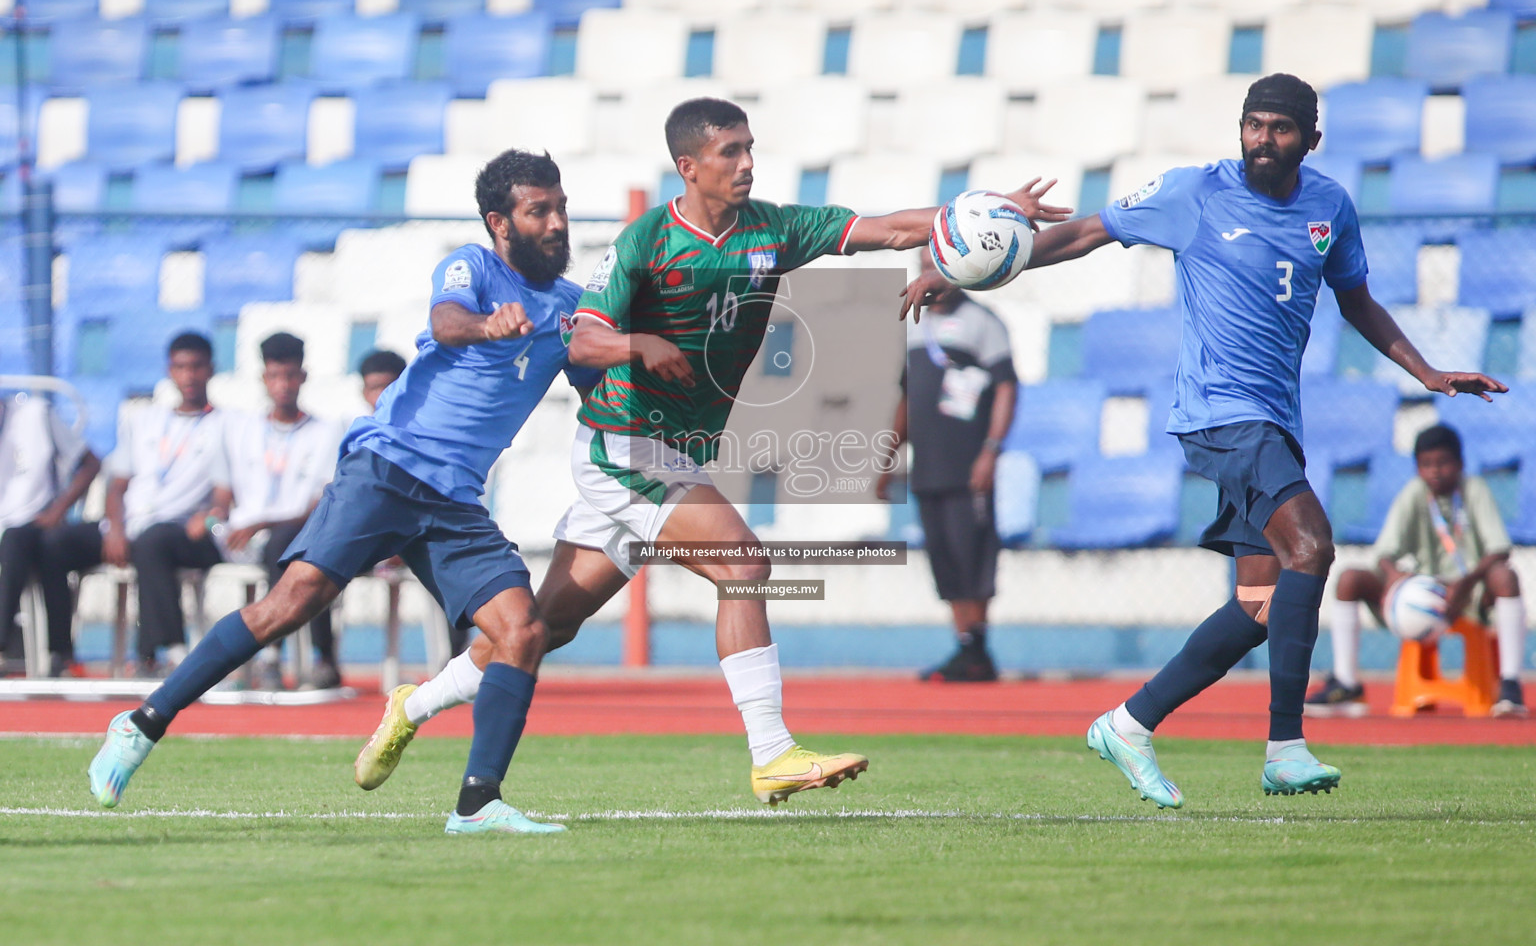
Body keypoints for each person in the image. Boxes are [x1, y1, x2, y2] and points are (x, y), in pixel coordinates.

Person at [352, 96, 1069, 806]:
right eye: (731, 152)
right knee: (745, 563)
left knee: (543, 628)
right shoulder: (646, 242)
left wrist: (981, 215)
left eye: (750, 148)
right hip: (622, 445)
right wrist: (644, 342)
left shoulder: (775, 229)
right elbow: (583, 338)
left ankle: (410, 707)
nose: (748, 163)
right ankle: (772, 753)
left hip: (677, 451)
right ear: (688, 166)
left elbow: (885, 229)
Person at [901, 73, 1506, 807]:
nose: (1261, 139)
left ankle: (1128, 722)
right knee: (1312, 545)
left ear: (1310, 141)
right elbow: (1089, 231)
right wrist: (974, 263)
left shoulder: (1330, 208)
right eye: (1253, 124)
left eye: (1279, 129)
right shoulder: (1195, 192)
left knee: (1258, 607)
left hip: (1275, 419)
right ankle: (1285, 746)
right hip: (1221, 413)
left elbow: (1358, 303)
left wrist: (1429, 371)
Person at [88, 148, 600, 836]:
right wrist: (488, 325)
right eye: (540, 210)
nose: (557, 222)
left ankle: (477, 805)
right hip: (388, 466)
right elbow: (449, 322)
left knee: (523, 630)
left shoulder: (571, 311)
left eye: (560, 207)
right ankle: (144, 721)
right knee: (291, 602)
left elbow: (602, 392)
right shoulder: (471, 268)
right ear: (499, 223)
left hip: (454, 500)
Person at [38, 332, 228, 675]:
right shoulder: (145, 420)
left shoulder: (225, 425)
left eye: (196, 366)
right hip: (130, 526)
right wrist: (115, 530)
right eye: (181, 367)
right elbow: (116, 486)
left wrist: (210, 517)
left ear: (211, 369)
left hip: (181, 531)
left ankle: (165, 654)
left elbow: (225, 494)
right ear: (169, 370)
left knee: (153, 541)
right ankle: (61, 655)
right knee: (54, 544)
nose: (189, 375)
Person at [1307, 424, 1527, 718]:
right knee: (1350, 579)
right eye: (1426, 464)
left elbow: (1499, 548)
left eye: (1443, 463)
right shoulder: (1415, 493)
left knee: (1505, 576)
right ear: (1417, 468)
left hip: (1471, 591)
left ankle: (1510, 685)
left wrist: (1465, 584)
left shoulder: (1474, 488)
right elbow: (1385, 553)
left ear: (1460, 464)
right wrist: (1396, 577)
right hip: (1421, 591)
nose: (1435, 471)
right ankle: (1348, 684)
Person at [875, 247, 1016, 682]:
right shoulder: (913, 327)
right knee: (945, 559)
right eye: (922, 268)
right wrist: (886, 458)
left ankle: (978, 647)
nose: (928, 278)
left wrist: (991, 450)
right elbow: (907, 398)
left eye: (936, 269)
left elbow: (1007, 389)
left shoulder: (983, 323)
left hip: (968, 463)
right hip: (928, 466)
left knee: (973, 554)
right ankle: (964, 647)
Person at [214, 333, 343, 689]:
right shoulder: (240, 429)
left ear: (303, 377)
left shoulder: (326, 432)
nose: (282, 385)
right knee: (158, 541)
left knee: (298, 547)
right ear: (263, 379)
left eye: (289, 376)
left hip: (293, 535)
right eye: (274, 376)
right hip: (240, 540)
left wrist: (263, 523)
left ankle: (277, 658)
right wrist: (213, 522)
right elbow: (221, 497)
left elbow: (319, 505)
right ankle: (173, 656)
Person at [0, 386, 100, 675]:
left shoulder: (35, 414)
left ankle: (55, 653)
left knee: (41, 545)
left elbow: (90, 463)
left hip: (31, 526)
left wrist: (58, 510)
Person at [358, 349, 406, 414]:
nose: (382, 395)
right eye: (374, 388)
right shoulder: (351, 421)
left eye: (388, 387)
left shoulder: (420, 420)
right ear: (365, 392)